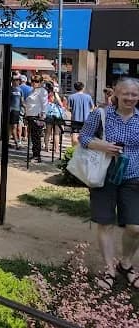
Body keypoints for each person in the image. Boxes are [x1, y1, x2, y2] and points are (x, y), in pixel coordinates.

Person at [79, 77, 139, 291]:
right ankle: (109, 269)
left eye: (134, 94)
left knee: (135, 227)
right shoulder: (101, 114)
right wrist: (103, 145)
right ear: (116, 93)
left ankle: (125, 262)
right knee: (105, 223)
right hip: (104, 175)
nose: (130, 98)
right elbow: (83, 137)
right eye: (126, 93)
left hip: (133, 177)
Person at [23, 75, 48, 162]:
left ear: (41, 82)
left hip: (37, 116)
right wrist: (26, 115)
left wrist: (42, 118)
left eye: (36, 81)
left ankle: (37, 156)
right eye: (33, 81)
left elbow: (44, 105)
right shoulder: (31, 90)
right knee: (33, 137)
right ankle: (34, 155)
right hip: (30, 116)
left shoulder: (42, 91)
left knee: (36, 136)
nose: (34, 83)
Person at [9, 75, 23, 149]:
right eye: (15, 80)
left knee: (14, 127)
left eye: (18, 80)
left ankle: (12, 142)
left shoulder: (20, 90)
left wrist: (25, 109)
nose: (16, 81)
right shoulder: (10, 89)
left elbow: (22, 100)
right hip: (11, 110)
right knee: (13, 127)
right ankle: (17, 143)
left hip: (17, 110)